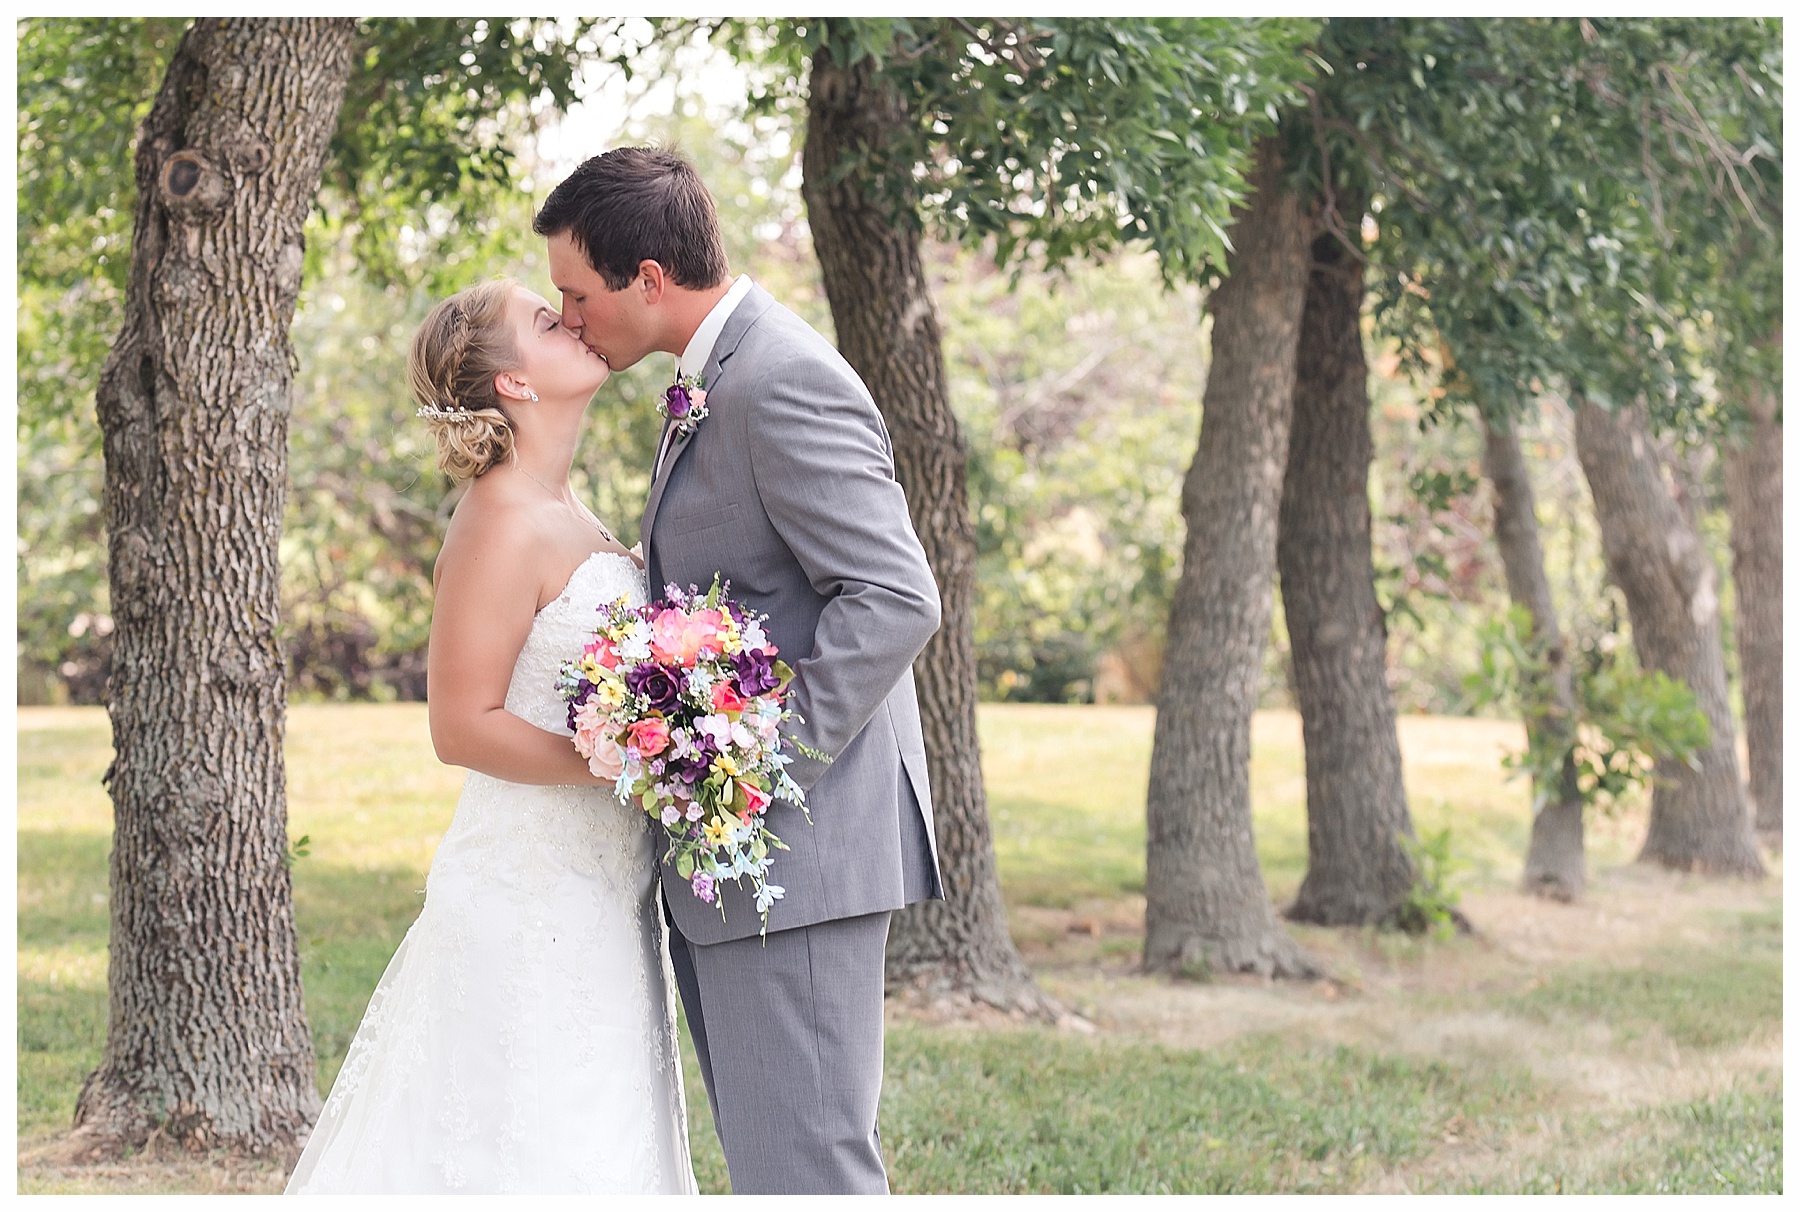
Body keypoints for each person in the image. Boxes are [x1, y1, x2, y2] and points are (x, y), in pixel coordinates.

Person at [533, 147, 944, 1195]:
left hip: (801, 845)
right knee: (773, 1163)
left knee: (807, 1167)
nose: (567, 318)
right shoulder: (716, 376)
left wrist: (752, 762)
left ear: (650, 280)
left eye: (577, 294)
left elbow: (896, 596)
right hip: (748, 852)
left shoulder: (779, 377)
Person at [285, 279, 696, 1194]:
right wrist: (630, 764)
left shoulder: (565, 505)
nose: (576, 320)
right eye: (548, 322)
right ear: (513, 384)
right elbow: (459, 726)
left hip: (601, 883)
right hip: (529, 887)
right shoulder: (498, 518)